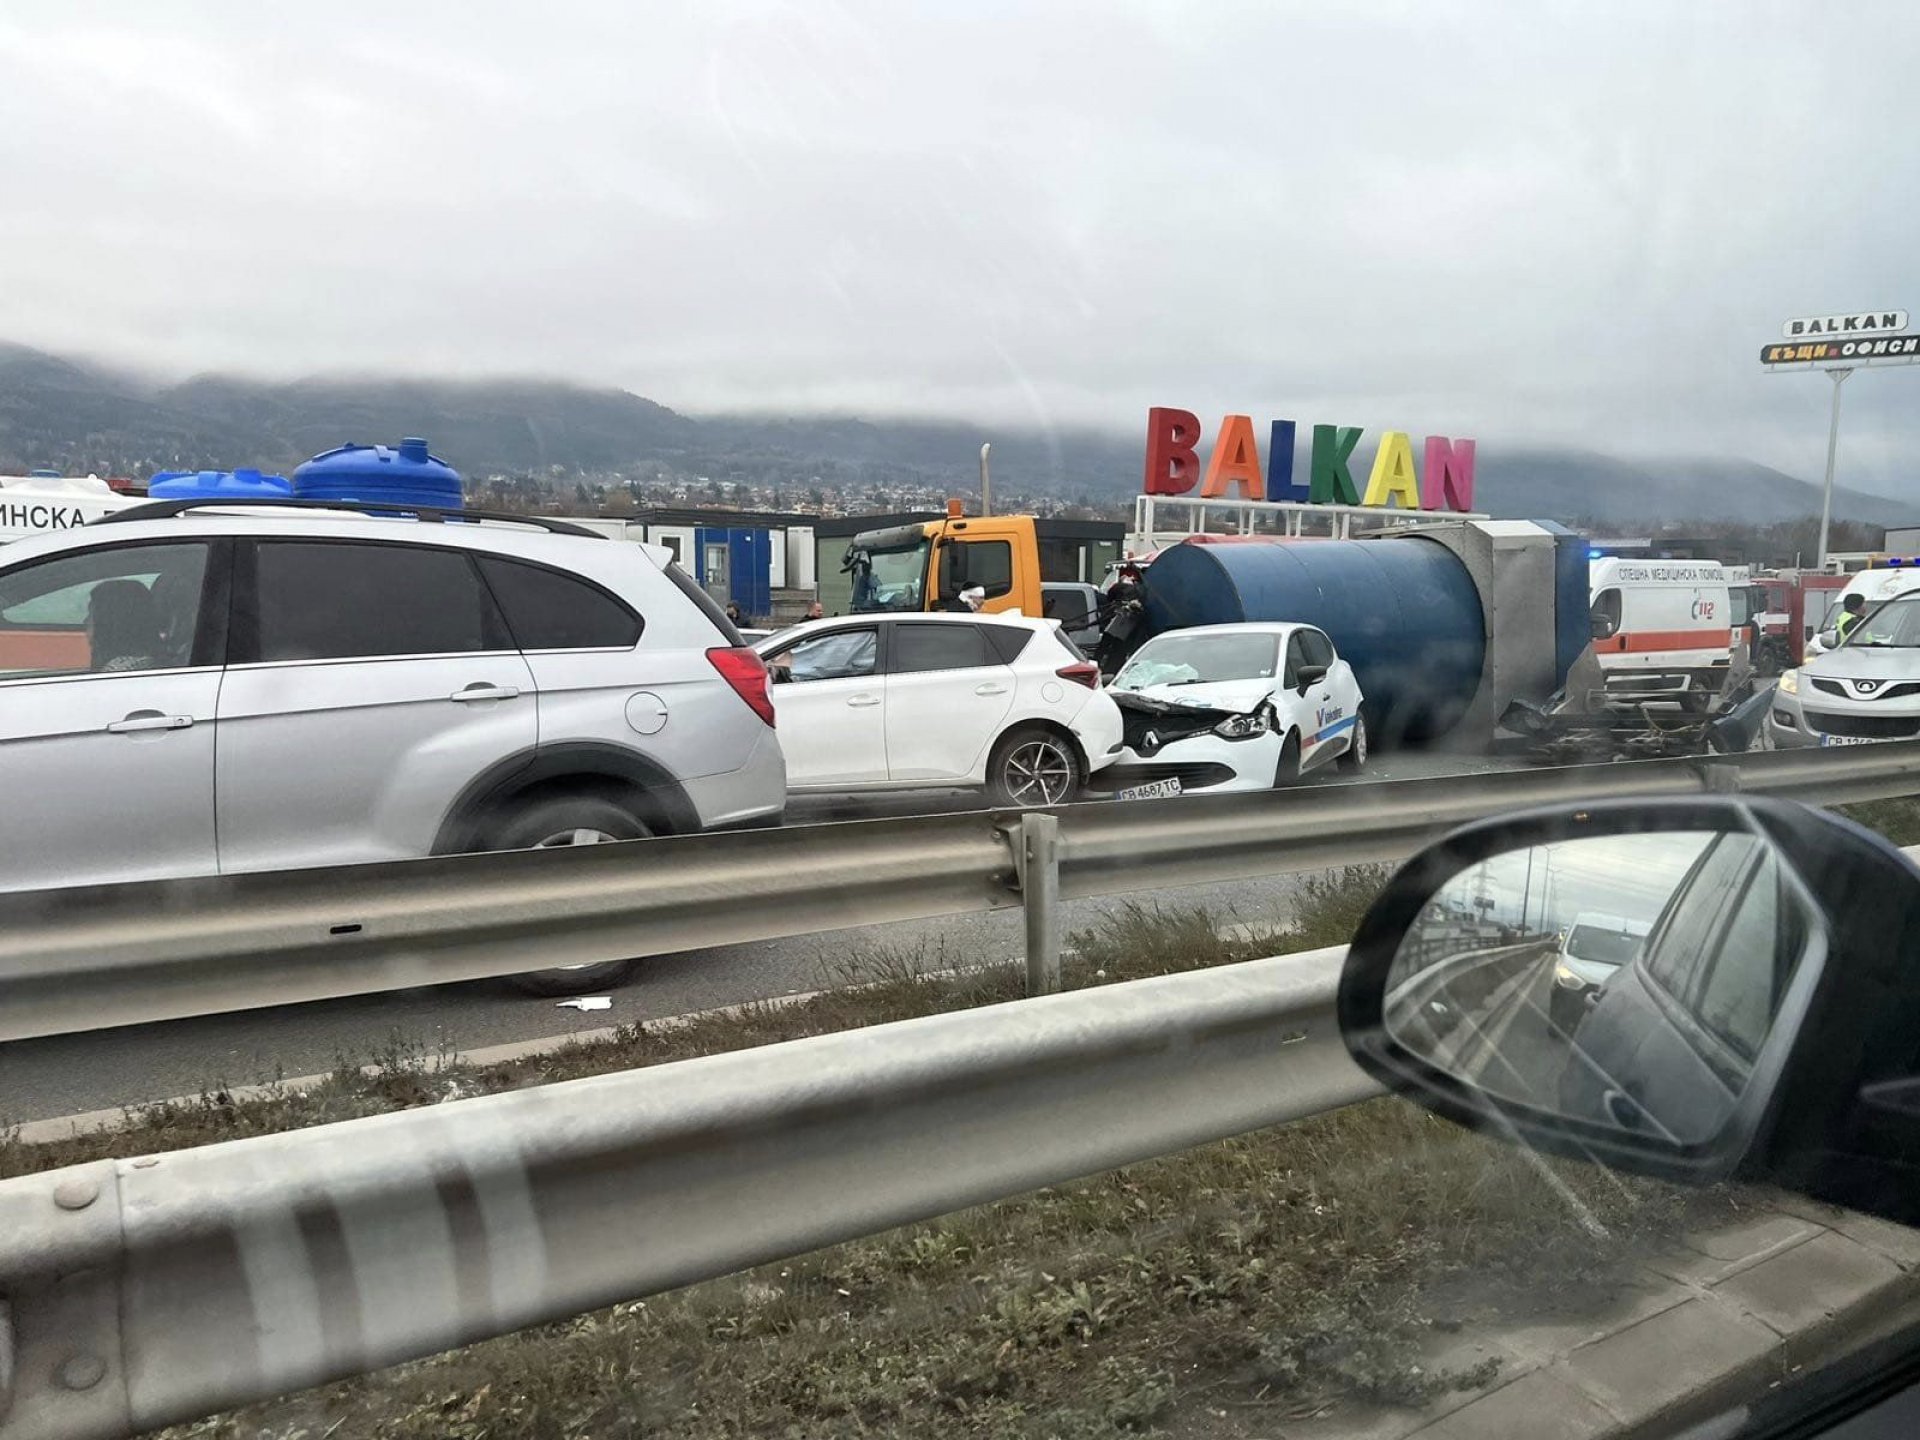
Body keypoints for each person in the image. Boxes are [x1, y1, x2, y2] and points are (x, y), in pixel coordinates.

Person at [86, 579, 163, 672]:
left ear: (106, 621)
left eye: (91, 614)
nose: (85, 621)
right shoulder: (147, 662)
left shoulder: (117, 670)